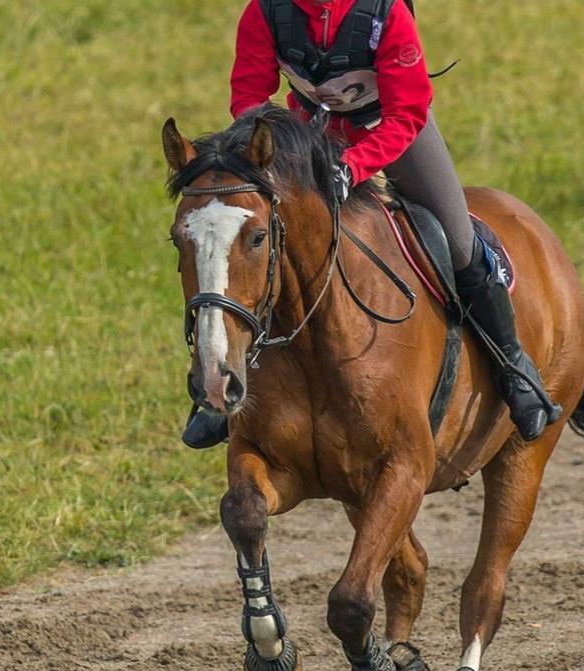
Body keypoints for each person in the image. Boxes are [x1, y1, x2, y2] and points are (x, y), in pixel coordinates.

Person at [182, 0, 560, 449]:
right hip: (308, 135)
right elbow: (249, 100)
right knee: (258, 249)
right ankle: (222, 382)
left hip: (394, 132)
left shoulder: (386, 13)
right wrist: (271, 153)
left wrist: (353, 165)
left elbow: (407, 113)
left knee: (460, 244)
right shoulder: (264, 12)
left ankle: (513, 366)